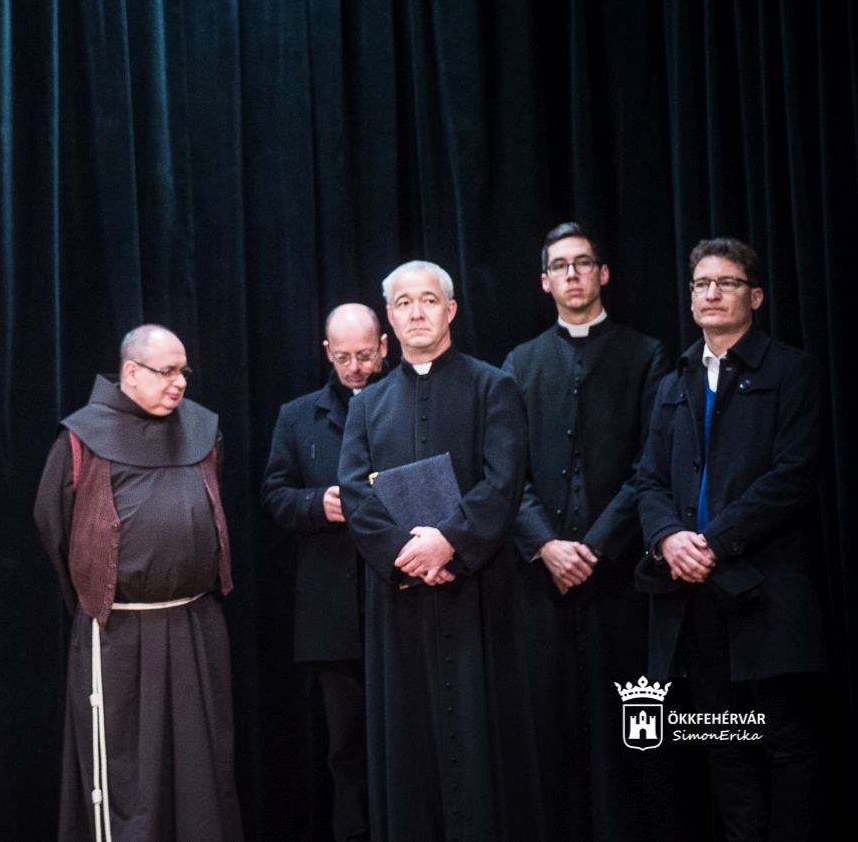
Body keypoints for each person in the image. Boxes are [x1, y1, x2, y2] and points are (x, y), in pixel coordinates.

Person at [338, 261, 544, 842]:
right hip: (400, 599)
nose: (416, 312)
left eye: (428, 300)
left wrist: (448, 540)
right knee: (408, 743)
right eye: (403, 303)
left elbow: (504, 482)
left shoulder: (492, 386)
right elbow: (354, 492)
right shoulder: (367, 405)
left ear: (450, 310)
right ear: (390, 317)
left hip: (478, 593)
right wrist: (408, 552)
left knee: (483, 735)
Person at [633, 238, 826, 842]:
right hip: (694, 597)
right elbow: (648, 479)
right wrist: (668, 538)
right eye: (701, 284)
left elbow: (792, 478)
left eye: (727, 283)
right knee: (724, 742)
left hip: (766, 591)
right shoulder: (676, 379)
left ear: (756, 296)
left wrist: (712, 542)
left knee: (784, 742)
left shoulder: (791, 371)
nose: (712, 294)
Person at [34, 325, 243, 842]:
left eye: (183, 371)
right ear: (130, 372)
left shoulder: (202, 430)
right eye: (166, 371)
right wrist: (98, 594)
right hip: (119, 631)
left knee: (201, 765)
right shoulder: (83, 438)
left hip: (195, 622)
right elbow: (53, 525)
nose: (180, 383)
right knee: (125, 771)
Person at [501, 223, 672, 842]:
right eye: (559, 266)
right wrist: (546, 545)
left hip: (619, 576)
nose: (571, 275)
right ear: (544, 282)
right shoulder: (519, 363)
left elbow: (651, 465)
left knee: (632, 734)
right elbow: (506, 472)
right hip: (540, 580)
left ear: (603, 274)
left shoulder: (646, 355)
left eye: (582, 263)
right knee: (548, 734)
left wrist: (594, 546)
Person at [260, 304, 385, 842]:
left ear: (384, 348)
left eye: (365, 355)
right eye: (343, 357)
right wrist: (318, 504)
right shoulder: (297, 416)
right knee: (346, 748)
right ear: (327, 353)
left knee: (412, 739)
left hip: (402, 599)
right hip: (333, 616)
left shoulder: (407, 402)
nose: (355, 368)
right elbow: (274, 495)